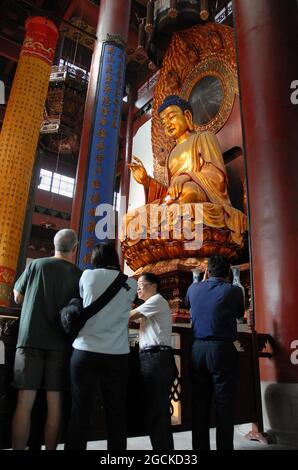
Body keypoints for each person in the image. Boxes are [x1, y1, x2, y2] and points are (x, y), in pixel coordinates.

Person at [12, 229, 82, 450]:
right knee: (55, 403)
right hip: (60, 344)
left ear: (54, 244)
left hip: (29, 338)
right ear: (75, 248)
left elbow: (18, 296)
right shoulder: (79, 274)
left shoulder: (36, 265)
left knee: (24, 401)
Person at [64, 243, 137, 451]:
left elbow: (82, 299)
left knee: (80, 410)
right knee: (116, 412)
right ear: (115, 259)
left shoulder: (87, 276)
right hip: (117, 354)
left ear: (95, 259)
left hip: (84, 350)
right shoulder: (130, 283)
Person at [186, 254, 245, 450]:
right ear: (228, 272)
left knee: (200, 405)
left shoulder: (193, 289)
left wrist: (202, 283)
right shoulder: (234, 291)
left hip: (197, 350)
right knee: (224, 405)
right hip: (222, 350)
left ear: (207, 271)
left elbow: (189, 305)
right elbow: (239, 314)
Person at [128, 94, 231, 206]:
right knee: (134, 216)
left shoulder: (204, 137)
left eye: (171, 117)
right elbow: (170, 191)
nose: (167, 124)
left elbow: (217, 177)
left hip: (195, 191)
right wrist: (146, 181)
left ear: (187, 116)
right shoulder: (170, 154)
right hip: (177, 197)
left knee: (187, 192)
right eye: (163, 122)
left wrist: (186, 177)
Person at [129, 273, 176, 450]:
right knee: (154, 409)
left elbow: (130, 316)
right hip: (153, 358)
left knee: (158, 410)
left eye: (142, 284)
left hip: (156, 359)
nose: (138, 287)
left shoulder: (156, 300)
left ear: (154, 286)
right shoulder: (151, 304)